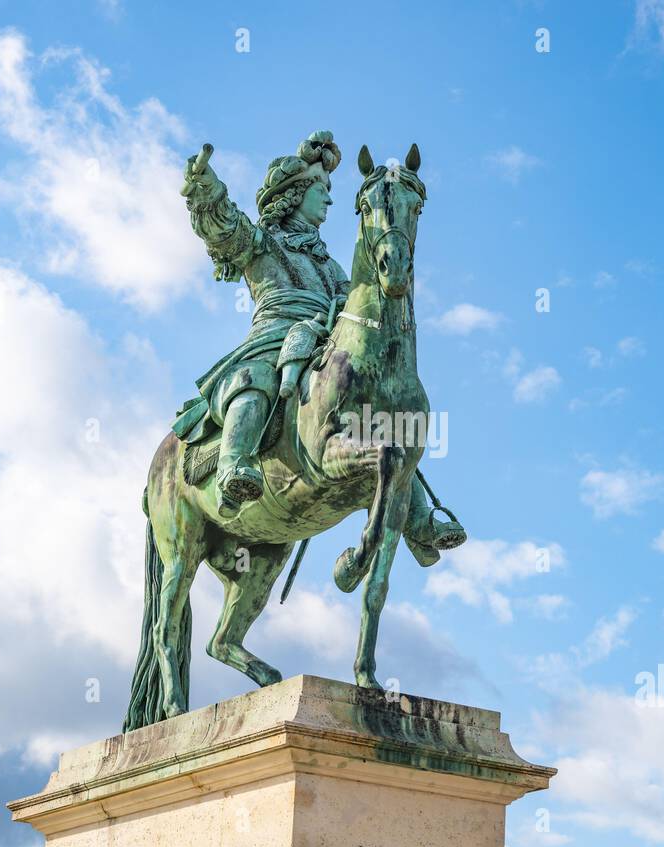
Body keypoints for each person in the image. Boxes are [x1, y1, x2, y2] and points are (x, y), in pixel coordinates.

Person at [177, 131, 465, 563]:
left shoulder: (331, 263)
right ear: (293, 196)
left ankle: (419, 518)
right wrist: (205, 188)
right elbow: (225, 228)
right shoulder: (263, 243)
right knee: (253, 379)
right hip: (275, 336)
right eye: (321, 190)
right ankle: (234, 467)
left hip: (326, 341)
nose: (330, 202)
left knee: (381, 416)